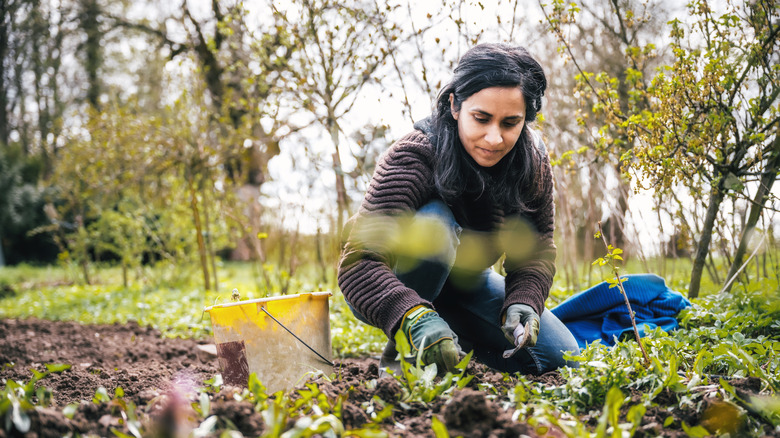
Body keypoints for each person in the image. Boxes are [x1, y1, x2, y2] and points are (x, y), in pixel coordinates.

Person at [337, 43, 580, 376]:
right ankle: (402, 363)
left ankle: (449, 344)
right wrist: (413, 316)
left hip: (466, 284)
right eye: (481, 118)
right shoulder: (415, 155)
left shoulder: (531, 164)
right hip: (385, 280)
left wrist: (524, 300)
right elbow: (359, 263)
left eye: (510, 123)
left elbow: (536, 250)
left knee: (558, 355)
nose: (494, 138)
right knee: (435, 225)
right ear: (454, 105)